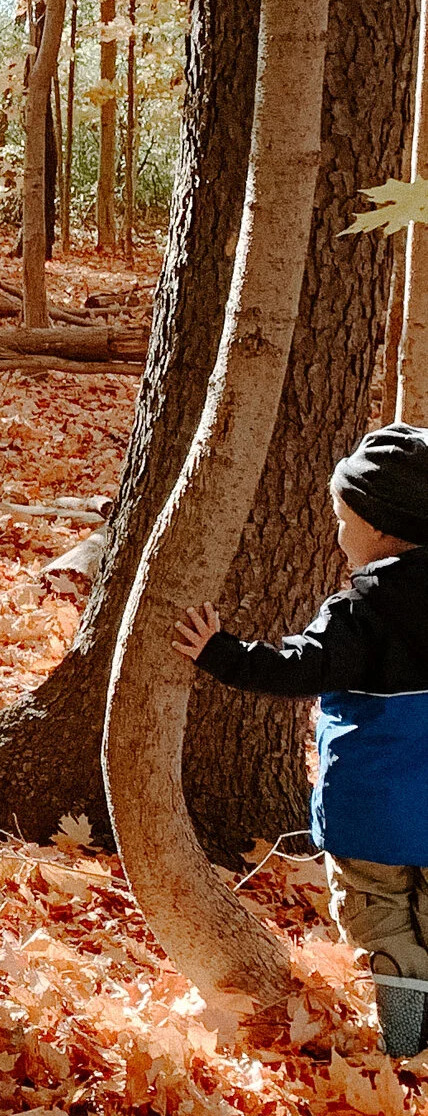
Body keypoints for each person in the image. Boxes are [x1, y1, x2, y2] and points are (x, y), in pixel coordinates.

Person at [177, 424, 428, 1062]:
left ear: (377, 526)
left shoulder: (363, 609)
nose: (338, 534)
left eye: (343, 519)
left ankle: (402, 1045)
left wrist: (219, 652)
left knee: (380, 920)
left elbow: (299, 666)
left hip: (374, 813)